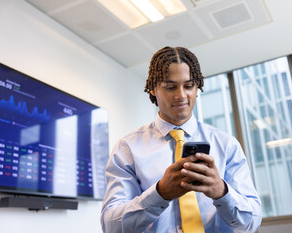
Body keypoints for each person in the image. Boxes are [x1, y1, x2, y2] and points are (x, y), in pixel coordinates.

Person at [100, 46, 262, 233]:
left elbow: (252, 222)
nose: (181, 95)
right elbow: (111, 226)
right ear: (153, 89)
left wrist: (222, 192)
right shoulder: (127, 148)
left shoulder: (226, 145)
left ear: (197, 87)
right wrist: (160, 193)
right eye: (170, 87)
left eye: (188, 86)